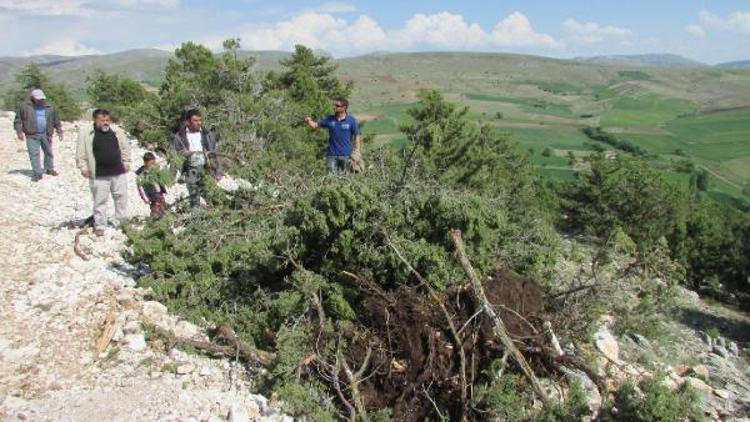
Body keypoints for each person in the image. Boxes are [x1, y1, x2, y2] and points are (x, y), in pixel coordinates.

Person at [76, 109, 131, 236]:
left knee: (121, 197)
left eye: (107, 120)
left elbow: (125, 146)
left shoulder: (117, 131)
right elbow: (81, 152)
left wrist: (126, 161)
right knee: (100, 200)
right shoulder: (86, 133)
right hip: (99, 173)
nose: (105, 123)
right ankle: (100, 225)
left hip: (118, 171)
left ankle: (121, 221)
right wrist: (83, 167)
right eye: (102, 120)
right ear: (95, 120)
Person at [173, 109, 221, 208]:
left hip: (206, 168)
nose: (199, 123)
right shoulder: (180, 136)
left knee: (211, 194)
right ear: (187, 122)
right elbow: (176, 156)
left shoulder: (207, 134)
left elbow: (213, 153)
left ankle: (217, 214)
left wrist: (217, 171)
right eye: (195, 120)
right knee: (194, 198)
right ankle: (196, 219)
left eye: (200, 120)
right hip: (190, 170)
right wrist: (171, 176)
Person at [13, 88, 63, 181]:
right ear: (32, 98)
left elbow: (56, 120)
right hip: (31, 134)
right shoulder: (24, 106)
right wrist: (19, 132)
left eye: (42, 98)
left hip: (46, 133)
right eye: (38, 99)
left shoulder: (50, 107)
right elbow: (18, 120)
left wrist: (59, 131)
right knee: (34, 154)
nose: (41, 100)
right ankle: (37, 173)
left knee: (48, 152)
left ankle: (49, 168)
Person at [304, 97, 362, 175]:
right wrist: (308, 120)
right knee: (331, 179)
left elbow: (357, 136)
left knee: (347, 178)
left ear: (344, 107)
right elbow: (315, 125)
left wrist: (357, 152)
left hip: (347, 156)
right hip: (331, 155)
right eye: (334, 105)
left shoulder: (351, 121)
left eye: (337, 105)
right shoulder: (329, 119)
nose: (335, 107)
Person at [136, 152, 167, 218]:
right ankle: (154, 223)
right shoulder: (142, 175)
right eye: (151, 163)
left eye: (154, 163)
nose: (154, 165)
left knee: (163, 208)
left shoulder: (155, 171)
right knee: (155, 211)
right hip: (152, 196)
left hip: (160, 194)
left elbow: (161, 181)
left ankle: (164, 221)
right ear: (145, 163)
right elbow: (140, 188)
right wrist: (145, 199)